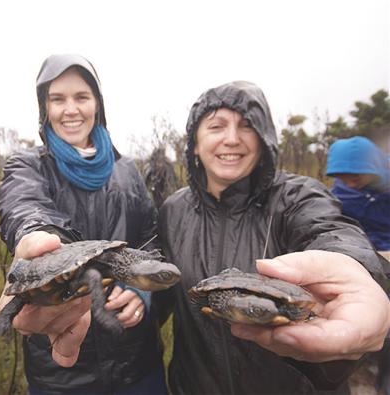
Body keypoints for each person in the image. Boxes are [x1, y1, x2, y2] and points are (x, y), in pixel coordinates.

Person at [156, 81, 390, 394]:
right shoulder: (174, 209)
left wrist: (355, 266)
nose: (232, 139)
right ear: (194, 143)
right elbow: (164, 293)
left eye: (247, 125)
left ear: (264, 138)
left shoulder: (297, 196)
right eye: (216, 126)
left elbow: (331, 230)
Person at [0, 54, 166, 394]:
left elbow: (152, 243)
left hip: (137, 364)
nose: (70, 109)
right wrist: (44, 241)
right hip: (61, 371)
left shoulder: (127, 171)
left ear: (97, 104)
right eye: (57, 99)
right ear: (45, 107)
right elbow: (24, 206)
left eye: (81, 97)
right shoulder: (28, 166)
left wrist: (141, 289)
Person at [326, 136, 390, 394]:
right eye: (344, 175)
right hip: (363, 259)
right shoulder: (338, 196)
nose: (350, 181)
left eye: (357, 175)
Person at [326, 136, 390, 251]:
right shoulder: (339, 196)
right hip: (365, 251)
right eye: (343, 179)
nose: (350, 185)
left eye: (356, 179)